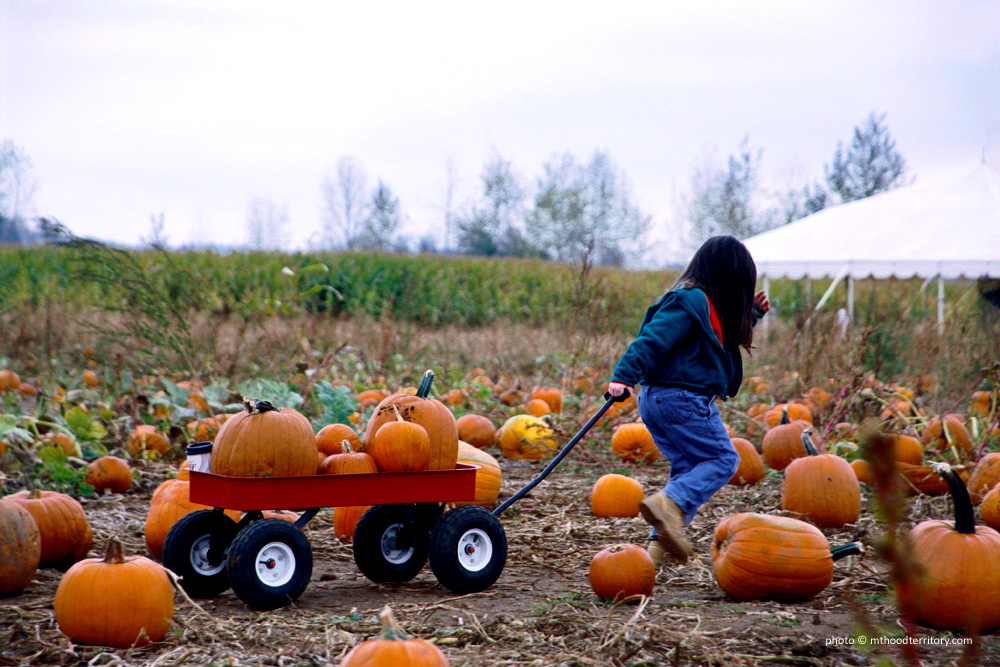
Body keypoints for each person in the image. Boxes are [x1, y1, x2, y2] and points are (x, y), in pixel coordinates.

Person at [607, 236, 769, 565]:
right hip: (681, 399)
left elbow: (720, 339)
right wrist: (623, 376)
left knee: (688, 467)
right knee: (723, 460)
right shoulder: (686, 301)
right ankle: (669, 504)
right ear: (727, 277)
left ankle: (660, 548)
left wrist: (751, 314)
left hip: (659, 401)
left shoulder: (705, 305)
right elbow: (651, 339)